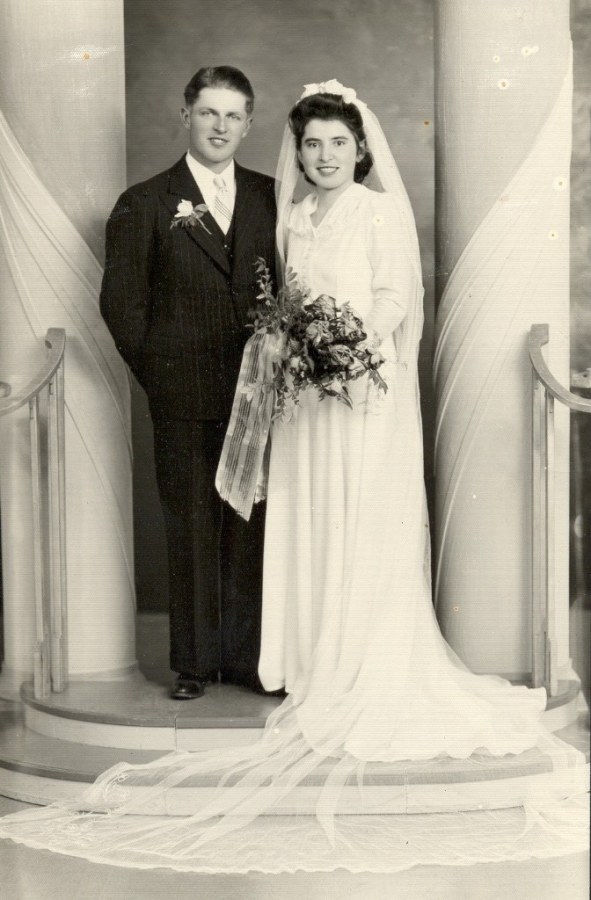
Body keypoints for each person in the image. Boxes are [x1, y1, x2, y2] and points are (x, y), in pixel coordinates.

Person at [0, 81, 585, 873]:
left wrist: (345, 350)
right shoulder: (276, 212)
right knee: (282, 519)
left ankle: (335, 659)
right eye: (311, 143)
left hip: (354, 392)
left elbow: (392, 297)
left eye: (336, 143)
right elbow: (162, 303)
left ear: (359, 148)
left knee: (350, 520)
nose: (322, 155)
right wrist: (210, 364)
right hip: (284, 400)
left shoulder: (358, 210)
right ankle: (269, 660)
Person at [99, 66, 277, 699]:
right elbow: (122, 305)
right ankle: (196, 664)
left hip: (260, 394)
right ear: (186, 117)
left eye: (233, 116)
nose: (220, 127)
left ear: (249, 124)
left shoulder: (272, 195)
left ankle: (250, 660)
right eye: (208, 113)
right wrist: (163, 377)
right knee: (193, 525)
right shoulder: (146, 201)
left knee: (252, 524)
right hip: (183, 393)